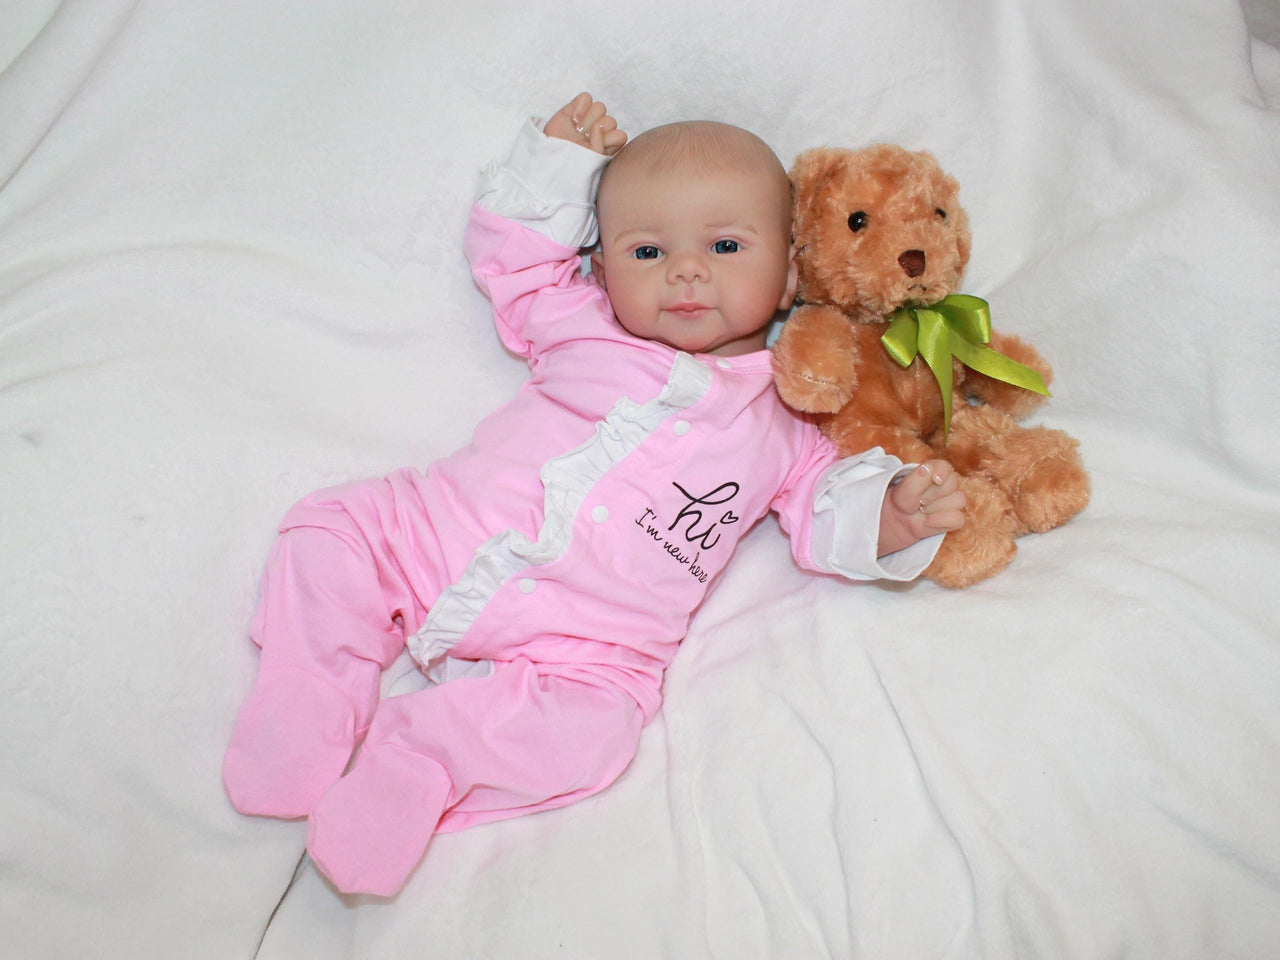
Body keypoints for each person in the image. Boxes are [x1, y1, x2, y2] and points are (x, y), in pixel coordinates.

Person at [222, 93, 965, 897]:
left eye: (724, 245)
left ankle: (422, 761)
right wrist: (559, 162)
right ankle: (309, 692)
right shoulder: (579, 322)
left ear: (788, 276)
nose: (686, 270)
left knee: (595, 736)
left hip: (588, 646)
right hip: (436, 536)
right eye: (647, 251)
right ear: (602, 270)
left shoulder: (787, 418)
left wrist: (891, 514)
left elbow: (827, 506)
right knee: (333, 530)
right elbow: (513, 259)